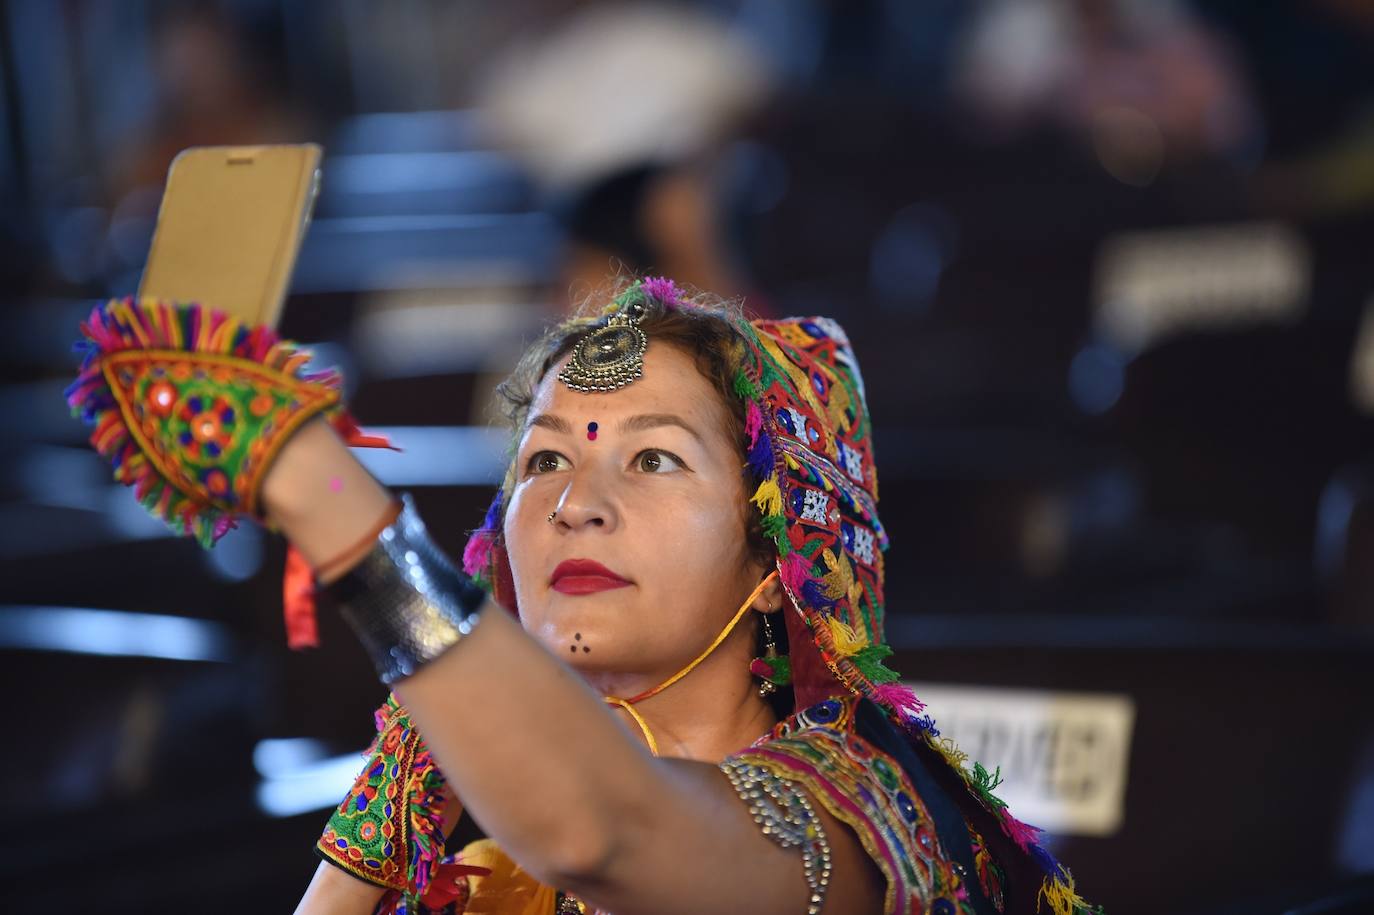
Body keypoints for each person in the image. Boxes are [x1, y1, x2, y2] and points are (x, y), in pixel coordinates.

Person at [68, 277, 1099, 914]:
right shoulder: (464, 782)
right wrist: (388, 812)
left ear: (774, 559)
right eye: (543, 461)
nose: (575, 505)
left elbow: (606, 833)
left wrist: (314, 482)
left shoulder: (868, 812)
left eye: (653, 462)